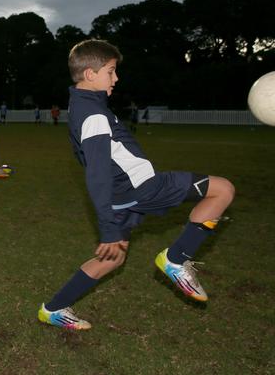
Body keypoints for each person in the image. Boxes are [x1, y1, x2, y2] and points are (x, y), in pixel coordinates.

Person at [38, 39, 235, 330]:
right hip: (141, 188)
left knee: (111, 259)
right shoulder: (93, 114)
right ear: (90, 74)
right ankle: (176, 260)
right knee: (223, 189)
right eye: (110, 71)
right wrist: (107, 227)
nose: (116, 78)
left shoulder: (84, 103)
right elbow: (97, 173)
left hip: (122, 196)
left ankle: (52, 310)